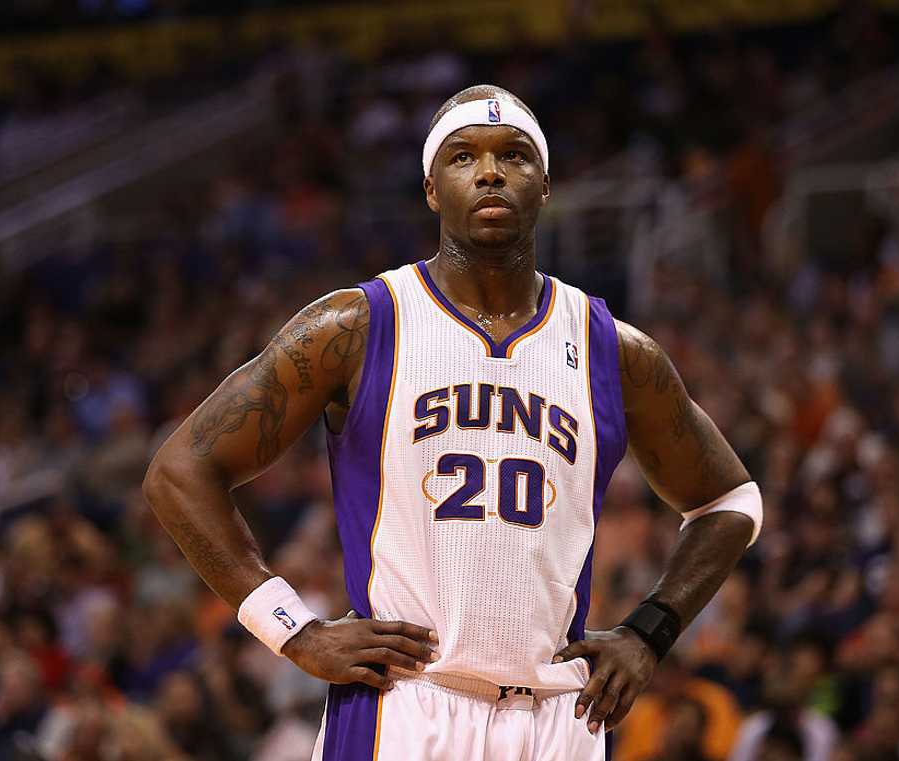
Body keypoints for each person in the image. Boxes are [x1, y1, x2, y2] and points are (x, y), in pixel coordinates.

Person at [142, 84, 763, 760]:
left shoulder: (614, 350)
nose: (490, 171)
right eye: (464, 156)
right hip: (405, 705)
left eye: (514, 155)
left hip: (557, 716)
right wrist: (293, 629)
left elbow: (730, 500)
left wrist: (650, 631)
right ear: (433, 188)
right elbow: (180, 472)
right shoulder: (357, 325)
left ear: (546, 183)